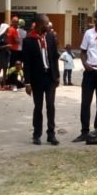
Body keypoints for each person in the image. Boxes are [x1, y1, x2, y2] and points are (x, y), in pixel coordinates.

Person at [23, 14, 60, 146]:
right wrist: (27, 83)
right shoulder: (28, 40)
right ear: (39, 24)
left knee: (50, 105)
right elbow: (26, 63)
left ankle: (51, 134)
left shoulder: (50, 37)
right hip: (37, 79)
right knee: (38, 107)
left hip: (50, 77)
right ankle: (36, 134)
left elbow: (54, 57)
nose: (48, 25)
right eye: (46, 23)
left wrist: (57, 76)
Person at [74, 9, 97, 143]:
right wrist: (85, 64)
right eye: (94, 18)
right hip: (90, 72)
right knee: (85, 102)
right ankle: (84, 131)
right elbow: (83, 52)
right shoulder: (89, 33)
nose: (94, 20)